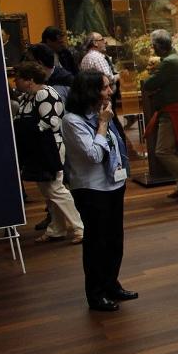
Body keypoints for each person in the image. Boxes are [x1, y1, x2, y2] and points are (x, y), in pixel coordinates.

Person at [61, 71, 133, 312]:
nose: (110, 91)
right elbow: (94, 155)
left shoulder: (103, 111)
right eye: (104, 88)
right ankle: (96, 293)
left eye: (109, 86)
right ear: (89, 91)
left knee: (114, 240)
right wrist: (103, 124)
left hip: (114, 184)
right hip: (91, 188)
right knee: (97, 243)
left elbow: (115, 144)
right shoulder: (73, 121)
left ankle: (111, 284)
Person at [12, 61, 84, 244]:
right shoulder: (29, 96)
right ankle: (57, 228)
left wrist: (24, 130)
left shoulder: (45, 94)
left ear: (29, 80)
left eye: (18, 78)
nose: (15, 82)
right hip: (40, 148)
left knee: (55, 188)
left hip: (50, 147)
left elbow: (48, 123)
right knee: (49, 191)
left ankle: (80, 227)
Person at [142, 29, 178, 201]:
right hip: (176, 110)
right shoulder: (173, 58)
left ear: (159, 46)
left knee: (163, 151)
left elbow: (149, 84)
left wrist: (151, 76)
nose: (153, 49)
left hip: (171, 112)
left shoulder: (168, 62)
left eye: (153, 46)